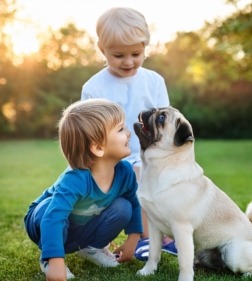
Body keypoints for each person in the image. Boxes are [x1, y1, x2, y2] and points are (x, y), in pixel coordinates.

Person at [81, 7, 177, 261]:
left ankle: (167, 235)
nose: (128, 61)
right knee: (136, 177)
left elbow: (164, 122)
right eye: (118, 55)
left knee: (166, 178)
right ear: (102, 50)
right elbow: (90, 134)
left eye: (136, 53)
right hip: (111, 159)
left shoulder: (154, 81)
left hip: (149, 153)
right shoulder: (94, 87)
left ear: (146, 47)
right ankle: (145, 238)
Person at [24, 99, 142, 280]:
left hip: (82, 227)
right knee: (50, 209)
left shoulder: (125, 172)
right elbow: (53, 218)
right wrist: (56, 261)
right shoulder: (75, 179)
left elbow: (134, 205)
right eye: (120, 129)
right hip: (44, 223)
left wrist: (132, 240)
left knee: (123, 206)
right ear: (98, 147)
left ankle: (92, 248)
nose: (128, 133)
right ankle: (49, 259)